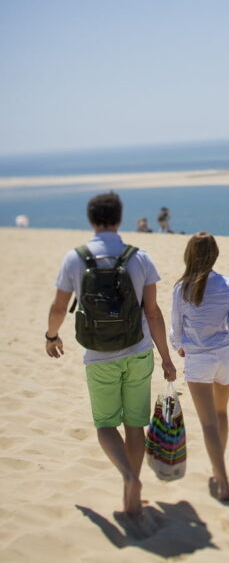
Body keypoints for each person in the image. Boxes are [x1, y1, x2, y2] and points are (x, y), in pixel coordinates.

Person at [45, 192, 176, 516]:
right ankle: (131, 492)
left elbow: (59, 307)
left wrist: (51, 336)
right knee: (134, 425)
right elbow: (154, 312)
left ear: (92, 220)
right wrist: (167, 358)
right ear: (118, 219)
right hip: (139, 352)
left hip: (99, 356)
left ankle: (128, 478)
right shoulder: (140, 257)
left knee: (105, 425)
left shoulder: (75, 258)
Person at [170, 232, 229, 502]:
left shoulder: (182, 289)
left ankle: (222, 478)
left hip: (199, 359)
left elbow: (176, 331)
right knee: (221, 413)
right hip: (226, 356)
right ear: (214, 255)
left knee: (208, 424)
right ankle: (218, 465)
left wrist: (179, 346)